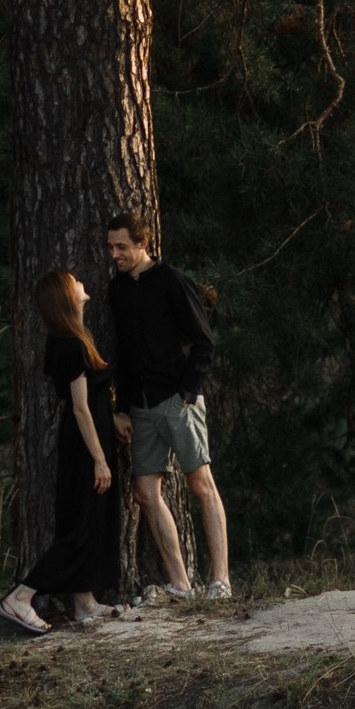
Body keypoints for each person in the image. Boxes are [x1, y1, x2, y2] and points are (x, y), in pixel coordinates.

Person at [106, 210, 232, 602]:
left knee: (201, 484)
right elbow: (123, 355)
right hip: (140, 408)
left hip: (179, 401)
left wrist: (188, 392)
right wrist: (122, 408)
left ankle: (221, 581)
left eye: (121, 246)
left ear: (143, 243)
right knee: (145, 491)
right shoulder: (117, 290)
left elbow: (204, 340)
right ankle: (180, 584)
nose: (115, 254)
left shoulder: (172, 281)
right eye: (111, 247)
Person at [0, 268, 123, 635]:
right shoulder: (72, 343)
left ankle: (84, 604)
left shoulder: (72, 337)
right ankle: (20, 597)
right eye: (74, 282)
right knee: (79, 529)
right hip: (85, 444)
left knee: (83, 521)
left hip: (85, 439)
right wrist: (99, 458)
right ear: (65, 297)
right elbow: (81, 408)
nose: (82, 283)